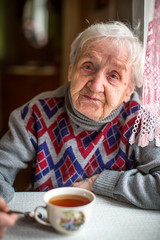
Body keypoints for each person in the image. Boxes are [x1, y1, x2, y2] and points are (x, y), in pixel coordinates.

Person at [0, 21, 160, 210]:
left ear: (129, 90)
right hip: (48, 222)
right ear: (70, 71)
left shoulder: (142, 121)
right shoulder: (35, 113)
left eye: (114, 75)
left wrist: (100, 182)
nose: (95, 85)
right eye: (88, 66)